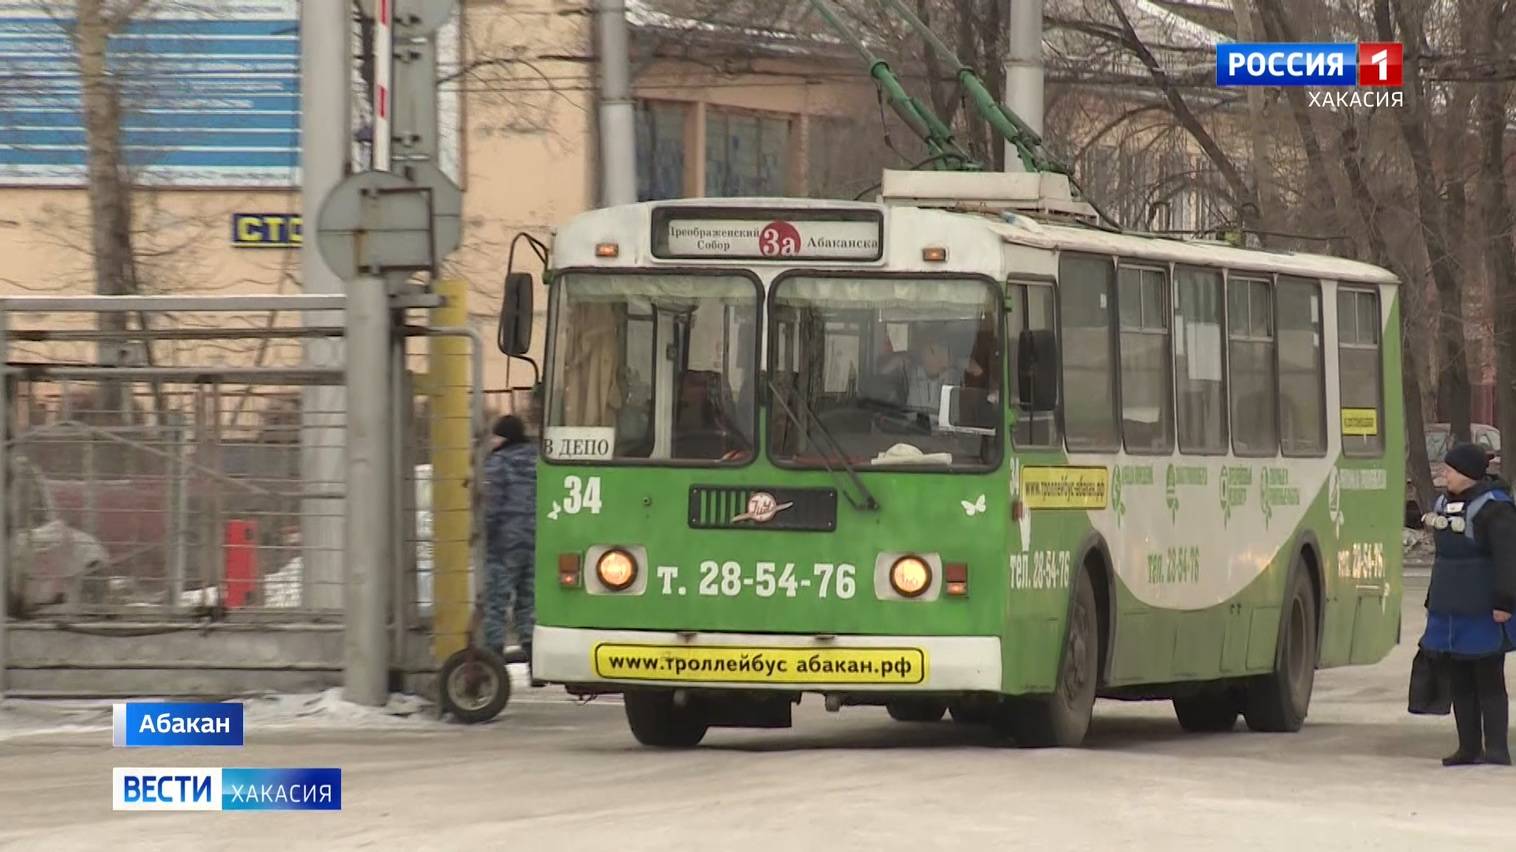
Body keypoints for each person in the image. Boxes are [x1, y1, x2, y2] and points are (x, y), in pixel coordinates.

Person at [1420, 442, 1516, 766]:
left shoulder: (1496, 507)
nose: (1443, 474)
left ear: (1467, 474)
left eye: (1449, 469)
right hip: (1450, 607)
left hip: (1484, 607)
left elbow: (1508, 559)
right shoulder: (1443, 504)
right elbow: (1442, 558)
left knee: (1488, 676)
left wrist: (1505, 601)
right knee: (1459, 677)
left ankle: (1497, 748)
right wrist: (1434, 599)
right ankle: (1468, 747)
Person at [483, 414, 537, 678]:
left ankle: (493, 664)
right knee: (528, 604)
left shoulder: (498, 463)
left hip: (504, 544)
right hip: (535, 541)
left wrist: (484, 535)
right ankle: (536, 664)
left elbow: (490, 505)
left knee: (495, 604)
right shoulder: (539, 460)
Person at [878, 332, 985, 418]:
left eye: (938, 352)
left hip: (944, 436)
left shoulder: (953, 374)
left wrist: (954, 361)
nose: (931, 357)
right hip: (913, 432)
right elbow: (883, 372)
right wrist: (902, 358)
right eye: (929, 351)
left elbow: (978, 370)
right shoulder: (912, 371)